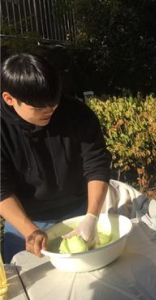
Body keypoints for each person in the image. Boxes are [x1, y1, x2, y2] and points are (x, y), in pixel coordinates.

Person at [0, 53, 111, 262]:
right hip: (25, 220)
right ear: (9, 99)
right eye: (38, 107)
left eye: (54, 103)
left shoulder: (77, 113)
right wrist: (30, 231)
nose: (49, 111)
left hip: (78, 212)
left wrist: (91, 216)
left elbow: (97, 164)